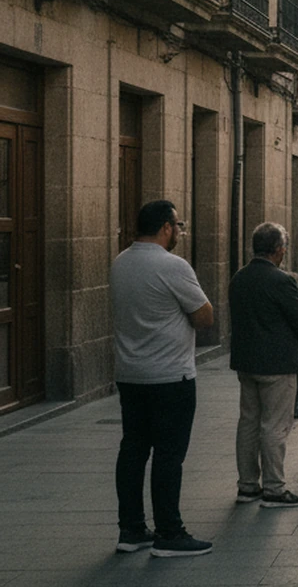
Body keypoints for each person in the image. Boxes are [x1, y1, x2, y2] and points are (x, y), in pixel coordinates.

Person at [108, 199, 214, 558]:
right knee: (169, 455)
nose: (180, 232)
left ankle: (131, 529)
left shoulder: (120, 262)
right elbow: (205, 316)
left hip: (130, 374)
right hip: (171, 375)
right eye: (178, 226)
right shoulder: (173, 266)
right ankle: (169, 532)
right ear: (166, 227)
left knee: (133, 450)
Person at [228, 223, 298, 509]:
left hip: (247, 362)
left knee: (248, 422)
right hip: (277, 363)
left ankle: (247, 485)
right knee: (275, 425)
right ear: (278, 249)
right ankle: (274, 488)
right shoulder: (281, 280)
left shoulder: (239, 277)